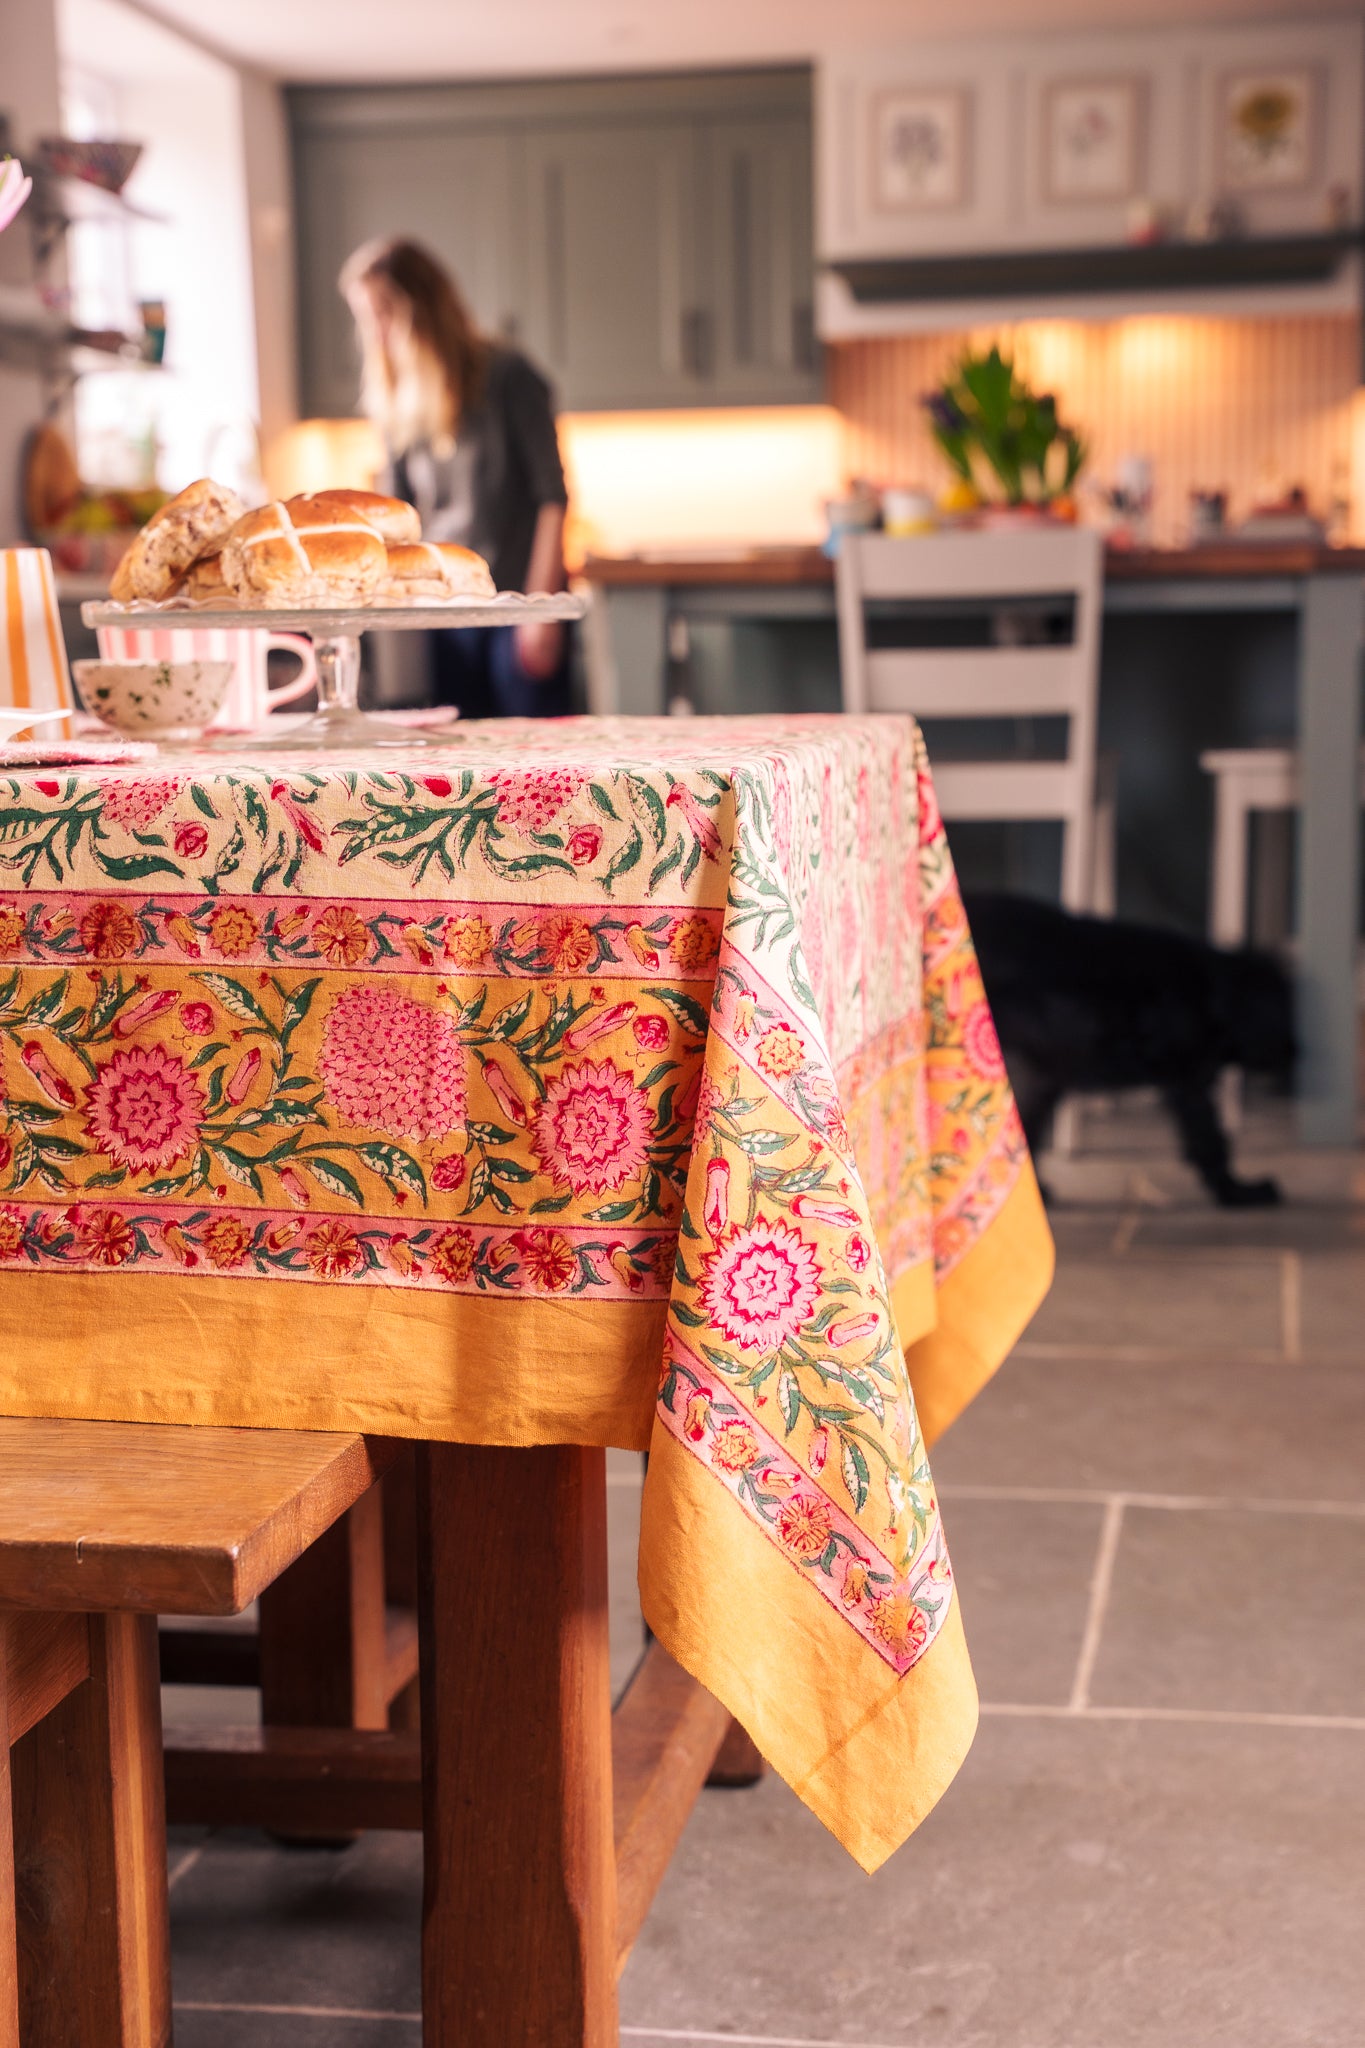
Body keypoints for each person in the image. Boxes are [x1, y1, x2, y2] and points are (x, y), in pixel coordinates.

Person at [341, 236, 571, 717]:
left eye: (384, 312)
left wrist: (541, 611)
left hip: (517, 605)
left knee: (533, 751)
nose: (377, 333)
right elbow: (398, 521)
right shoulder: (397, 401)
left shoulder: (509, 376)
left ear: (424, 306)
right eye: (367, 318)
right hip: (445, 612)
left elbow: (552, 498)